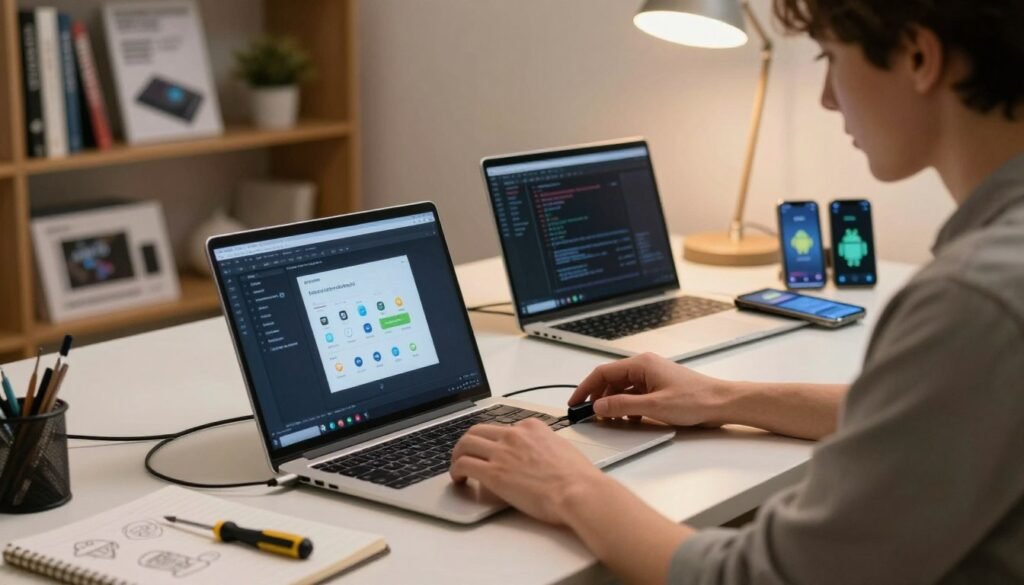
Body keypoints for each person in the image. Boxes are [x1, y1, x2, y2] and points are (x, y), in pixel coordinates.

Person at [450, 0, 1024, 583]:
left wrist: (568, 485)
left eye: (831, 59)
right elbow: (928, 415)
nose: (827, 97)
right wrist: (724, 398)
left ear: (921, 57)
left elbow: (758, 577)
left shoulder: (974, 300)